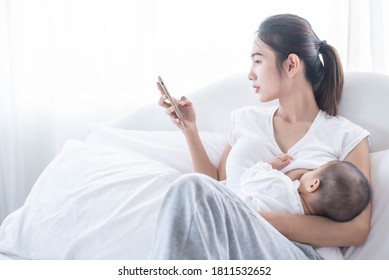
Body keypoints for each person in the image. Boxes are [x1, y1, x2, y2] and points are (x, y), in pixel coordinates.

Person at [152, 14, 371, 259]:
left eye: (258, 60)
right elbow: (214, 186)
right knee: (189, 188)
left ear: (291, 65)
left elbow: (356, 230)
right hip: (233, 239)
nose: (250, 74)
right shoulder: (247, 120)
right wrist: (190, 130)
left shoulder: (347, 136)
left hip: (297, 253)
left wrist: (247, 216)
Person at [240, 156, 371, 223]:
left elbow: (248, 178)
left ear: (313, 185)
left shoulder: (281, 185)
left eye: (316, 170)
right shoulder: (303, 227)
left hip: (236, 212)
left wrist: (270, 165)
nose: (309, 170)